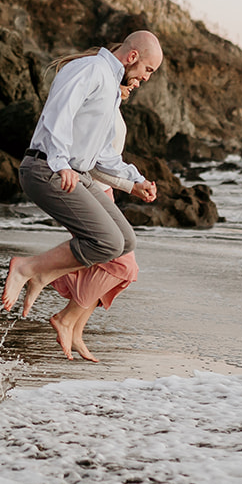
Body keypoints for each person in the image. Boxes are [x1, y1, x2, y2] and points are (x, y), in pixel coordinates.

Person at [2, 31, 162, 359]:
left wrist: (135, 181)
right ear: (133, 57)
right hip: (46, 168)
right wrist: (60, 162)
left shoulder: (110, 86)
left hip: (79, 172)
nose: (146, 78)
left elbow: (103, 153)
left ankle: (43, 275)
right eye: (148, 70)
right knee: (107, 243)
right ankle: (27, 268)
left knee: (125, 242)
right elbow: (57, 114)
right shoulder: (90, 69)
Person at [47, 82, 141, 362]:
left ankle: (76, 329)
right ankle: (65, 318)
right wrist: (132, 185)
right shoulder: (101, 104)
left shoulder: (113, 106)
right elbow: (94, 162)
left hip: (102, 193)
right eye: (132, 78)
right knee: (123, 264)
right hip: (87, 191)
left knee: (106, 264)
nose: (135, 84)